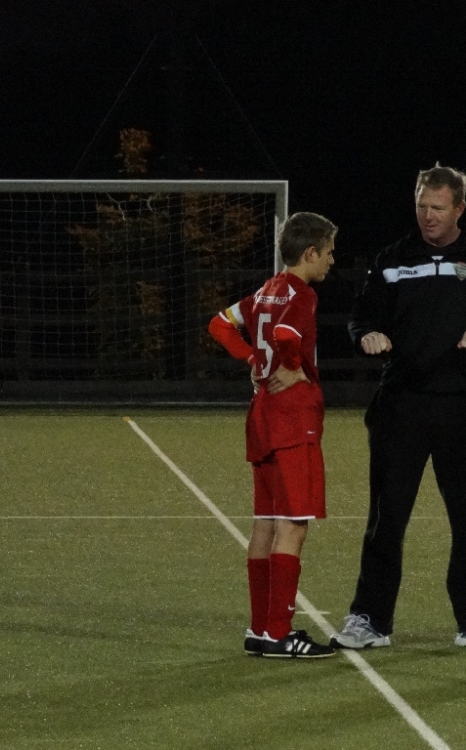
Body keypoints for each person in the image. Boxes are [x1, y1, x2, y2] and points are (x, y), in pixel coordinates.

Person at [330, 164, 466, 651]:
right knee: (386, 519)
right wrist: (365, 334)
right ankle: (369, 619)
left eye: (437, 207)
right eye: (421, 206)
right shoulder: (392, 259)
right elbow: (362, 314)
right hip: (402, 406)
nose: (428, 216)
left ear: (459, 208)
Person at [208, 211, 338, 659]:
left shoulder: (264, 291)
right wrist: (293, 366)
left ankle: (260, 628)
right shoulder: (301, 294)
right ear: (310, 253)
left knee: (265, 520)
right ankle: (280, 633)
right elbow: (285, 335)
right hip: (292, 418)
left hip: (261, 415)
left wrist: (252, 360)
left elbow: (218, 324)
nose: (332, 260)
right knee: (293, 523)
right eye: (329, 252)